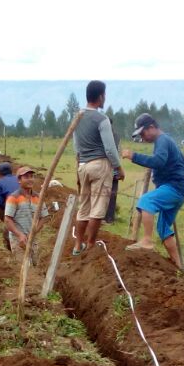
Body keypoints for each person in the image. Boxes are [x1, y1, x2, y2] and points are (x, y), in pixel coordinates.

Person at [121, 114, 184, 269]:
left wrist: (134, 156)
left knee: (146, 201)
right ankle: (179, 266)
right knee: (163, 228)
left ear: (151, 127)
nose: (143, 138)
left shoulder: (162, 140)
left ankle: (147, 240)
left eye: (143, 133)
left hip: (174, 187)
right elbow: (183, 163)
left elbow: (158, 162)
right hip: (178, 189)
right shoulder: (166, 140)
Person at [71, 80, 123, 256]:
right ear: (100, 96)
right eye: (104, 95)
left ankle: (78, 245)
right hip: (100, 165)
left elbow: (76, 146)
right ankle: (91, 245)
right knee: (98, 208)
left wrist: (79, 164)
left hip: (83, 165)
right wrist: (118, 168)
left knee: (83, 206)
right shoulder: (102, 119)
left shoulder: (78, 116)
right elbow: (110, 148)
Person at [3, 166, 45, 258]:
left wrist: (34, 232)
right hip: (18, 240)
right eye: (26, 177)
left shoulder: (38, 197)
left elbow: (44, 217)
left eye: (31, 176)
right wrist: (19, 235)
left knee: (35, 265)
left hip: (33, 239)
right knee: (21, 265)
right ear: (19, 180)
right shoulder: (13, 198)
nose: (30, 179)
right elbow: (7, 220)